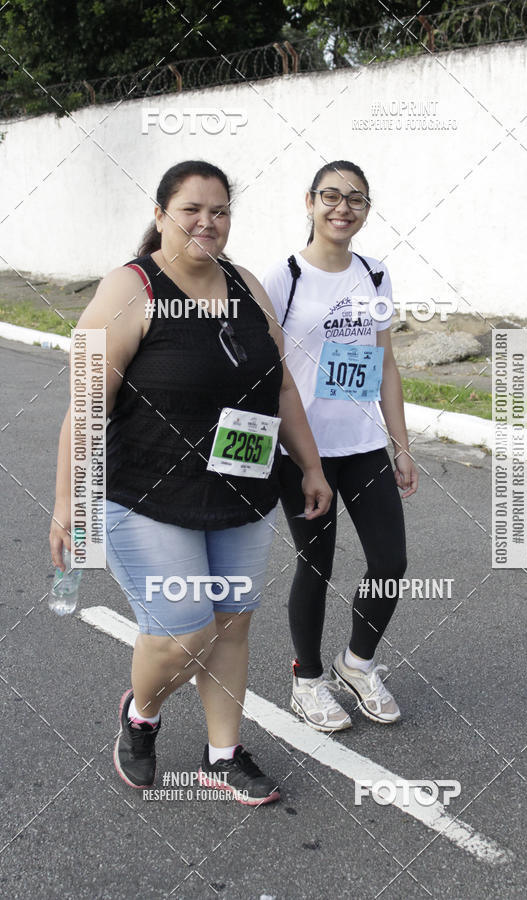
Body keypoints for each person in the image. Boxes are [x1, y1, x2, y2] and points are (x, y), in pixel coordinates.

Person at [49, 160, 332, 805]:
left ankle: (223, 754)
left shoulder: (247, 285)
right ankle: (141, 714)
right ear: (160, 216)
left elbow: (281, 385)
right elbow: (86, 405)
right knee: (186, 627)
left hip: (241, 491)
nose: (208, 222)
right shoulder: (132, 289)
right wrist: (68, 503)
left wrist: (310, 465)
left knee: (232, 622)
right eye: (192, 210)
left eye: (221, 211)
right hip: (147, 496)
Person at [262, 160, 418, 733]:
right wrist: (299, 458)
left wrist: (400, 446)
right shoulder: (283, 277)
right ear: (309, 202)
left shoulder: (375, 275)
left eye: (355, 198)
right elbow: (266, 369)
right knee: (316, 564)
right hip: (305, 452)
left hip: (361, 445)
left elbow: (386, 365)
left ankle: (357, 663)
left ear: (366, 211)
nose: (342, 207)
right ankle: (307, 680)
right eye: (330, 196)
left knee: (390, 561)